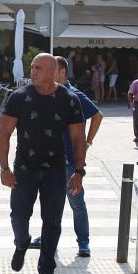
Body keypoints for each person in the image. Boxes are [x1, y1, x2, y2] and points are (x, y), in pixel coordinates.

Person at [0, 53, 86, 274]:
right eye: (32, 67)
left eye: (38, 68)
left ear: (51, 71)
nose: (32, 71)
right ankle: (22, 243)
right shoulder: (19, 97)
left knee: (52, 222)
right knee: (18, 215)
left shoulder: (69, 99)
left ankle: (46, 270)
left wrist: (79, 170)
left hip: (55, 170)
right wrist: (4, 168)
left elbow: (79, 138)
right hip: (24, 169)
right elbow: (4, 133)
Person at [28, 56, 102, 257]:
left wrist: (87, 141)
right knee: (49, 202)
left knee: (77, 203)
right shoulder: (47, 93)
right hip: (49, 159)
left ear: (61, 72)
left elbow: (97, 115)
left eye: (53, 70)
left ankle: (83, 243)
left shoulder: (74, 95)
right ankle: (47, 237)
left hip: (70, 160)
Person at [128, 75, 138, 144]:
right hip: (137, 103)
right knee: (136, 119)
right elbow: (130, 93)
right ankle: (137, 136)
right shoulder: (136, 82)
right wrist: (131, 102)